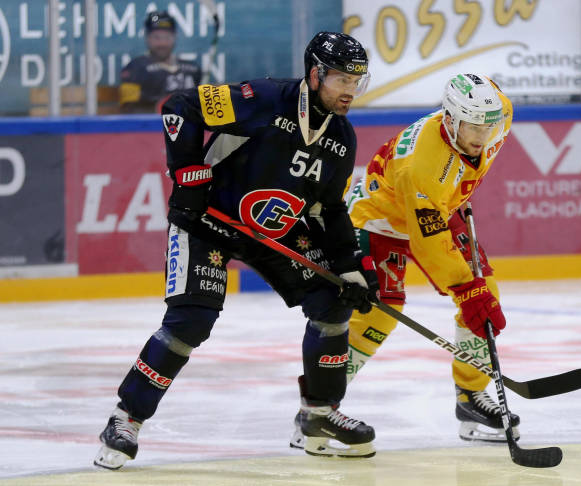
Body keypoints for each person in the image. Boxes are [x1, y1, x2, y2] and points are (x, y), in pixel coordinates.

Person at [93, 31, 380, 470]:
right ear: (315, 74)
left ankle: (318, 415)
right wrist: (188, 174)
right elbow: (180, 106)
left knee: (333, 302)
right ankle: (125, 418)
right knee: (192, 320)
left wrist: (349, 267)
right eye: (342, 79)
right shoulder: (262, 98)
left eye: (356, 81)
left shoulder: (341, 137)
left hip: (274, 232)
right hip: (209, 221)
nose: (350, 91)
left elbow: (328, 208)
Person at [288, 73, 521, 447]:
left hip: (440, 208)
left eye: (487, 127)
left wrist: (474, 291)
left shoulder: (499, 114)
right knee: (378, 312)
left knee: (486, 294)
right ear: (450, 119)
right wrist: (465, 289)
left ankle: (470, 396)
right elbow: (429, 241)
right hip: (378, 218)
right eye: (473, 127)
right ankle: (316, 411)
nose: (482, 137)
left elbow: (490, 102)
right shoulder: (422, 165)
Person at [118, 11, 202, 113]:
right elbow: (127, 110)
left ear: (175, 37)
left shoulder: (193, 69)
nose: (162, 43)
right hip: (152, 123)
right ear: (147, 38)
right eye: (156, 37)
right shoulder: (134, 69)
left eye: (167, 37)